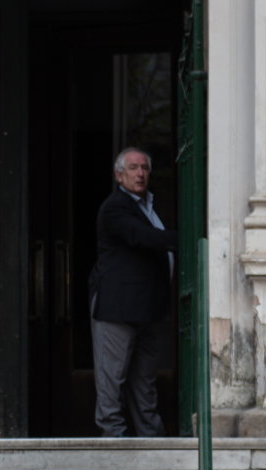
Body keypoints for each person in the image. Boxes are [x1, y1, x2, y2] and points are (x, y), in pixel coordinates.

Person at [88, 147, 178, 437]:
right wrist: (187, 238)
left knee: (144, 383)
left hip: (146, 310)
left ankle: (152, 440)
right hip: (117, 309)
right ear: (119, 175)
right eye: (133, 168)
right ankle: (113, 439)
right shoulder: (116, 207)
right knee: (111, 380)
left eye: (145, 168)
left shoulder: (147, 205)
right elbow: (142, 236)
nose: (140, 173)